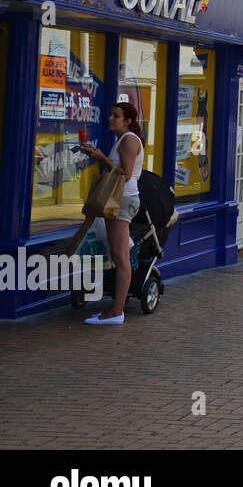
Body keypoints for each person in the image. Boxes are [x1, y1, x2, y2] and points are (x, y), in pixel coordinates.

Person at [76, 102, 145, 324]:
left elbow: (124, 175)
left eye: (116, 115)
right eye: (110, 114)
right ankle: (116, 309)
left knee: (121, 257)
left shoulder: (129, 140)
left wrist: (101, 158)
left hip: (123, 200)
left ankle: (116, 312)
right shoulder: (124, 140)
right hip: (120, 199)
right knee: (118, 255)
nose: (110, 118)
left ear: (128, 121)